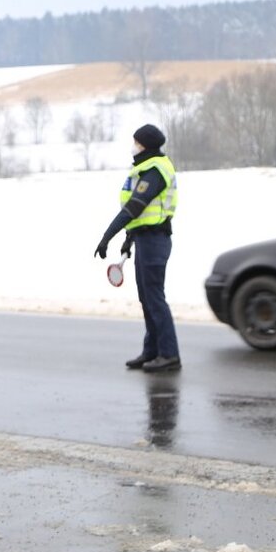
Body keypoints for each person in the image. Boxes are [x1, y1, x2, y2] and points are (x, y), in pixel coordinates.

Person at [94, 124, 181, 373]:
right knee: (146, 298)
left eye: (136, 142)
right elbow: (140, 216)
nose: (133, 146)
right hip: (145, 238)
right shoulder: (145, 168)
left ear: (145, 145)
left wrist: (106, 236)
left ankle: (169, 354)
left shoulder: (155, 171)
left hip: (155, 240)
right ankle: (151, 351)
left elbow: (135, 207)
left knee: (155, 298)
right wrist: (129, 238)